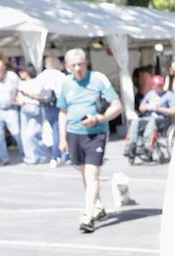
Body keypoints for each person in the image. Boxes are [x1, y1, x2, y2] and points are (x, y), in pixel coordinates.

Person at [58, 48, 123, 233]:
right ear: (67, 67)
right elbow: (62, 111)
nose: (78, 68)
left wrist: (98, 119)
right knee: (84, 172)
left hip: (96, 133)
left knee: (92, 173)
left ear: (87, 63)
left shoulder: (98, 79)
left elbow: (117, 106)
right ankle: (98, 206)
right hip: (74, 132)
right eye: (74, 65)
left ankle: (87, 215)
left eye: (81, 64)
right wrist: (62, 138)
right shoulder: (66, 84)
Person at [126, 74, 175, 165]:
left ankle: (148, 145)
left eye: (160, 85)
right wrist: (148, 107)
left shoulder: (169, 95)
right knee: (135, 121)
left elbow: (174, 111)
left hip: (162, 119)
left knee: (152, 121)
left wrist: (159, 109)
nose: (159, 87)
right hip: (149, 116)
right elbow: (141, 107)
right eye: (157, 86)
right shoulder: (150, 94)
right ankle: (131, 145)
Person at [39, 54, 68, 166]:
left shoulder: (41, 75)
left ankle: (57, 154)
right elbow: (63, 91)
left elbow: (37, 91)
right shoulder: (59, 75)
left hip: (45, 105)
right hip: (58, 104)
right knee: (58, 130)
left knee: (51, 130)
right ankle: (57, 155)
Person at [16, 65, 48, 164]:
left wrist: (27, 95)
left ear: (27, 72)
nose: (20, 73)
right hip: (24, 107)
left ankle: (42, 155)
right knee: (25, 135)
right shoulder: (21, 83)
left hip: (34, 107)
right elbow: (19, 96)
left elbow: (40, 96)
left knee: (33, 133)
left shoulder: (37, 82)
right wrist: (19, 99)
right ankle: (30, 157)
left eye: (22, 71)